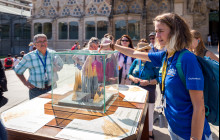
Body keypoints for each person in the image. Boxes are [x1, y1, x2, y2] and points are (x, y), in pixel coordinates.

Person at [100, 13, 212, 140]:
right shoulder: (166, 56)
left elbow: (199, 106)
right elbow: (134, 52)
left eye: (160, 31)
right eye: (156, 31)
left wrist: (195, 138)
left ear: (175, 31)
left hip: (190, 134)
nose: (156, 36)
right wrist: (111, 46)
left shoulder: (187, 59)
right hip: (174, 129)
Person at [14, 34, 63, 99]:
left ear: (47, 42)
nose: (42, 43)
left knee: (51, 109)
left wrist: (55, 67)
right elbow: (18, 71)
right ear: (35, 44)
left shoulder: (53, 54)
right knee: (36, 109)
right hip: (36, 91)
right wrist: (25, 83)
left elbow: (61, 65)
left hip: (52, 89)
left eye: (44, 41)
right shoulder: (29, 57)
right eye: (39, 41)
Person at [129, 42, 158, 140]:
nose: (143, 52)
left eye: (145, 50)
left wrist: (148, 82)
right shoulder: (136, 61)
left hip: (149, 91)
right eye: (141, 51)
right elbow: (129, 74)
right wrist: (133, 79)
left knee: (149, 112)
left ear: (148, 51)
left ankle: (149, 132)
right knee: (136, 112)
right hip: (136, 90)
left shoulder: (153, 63)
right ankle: (137, 132)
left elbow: (159, 79)